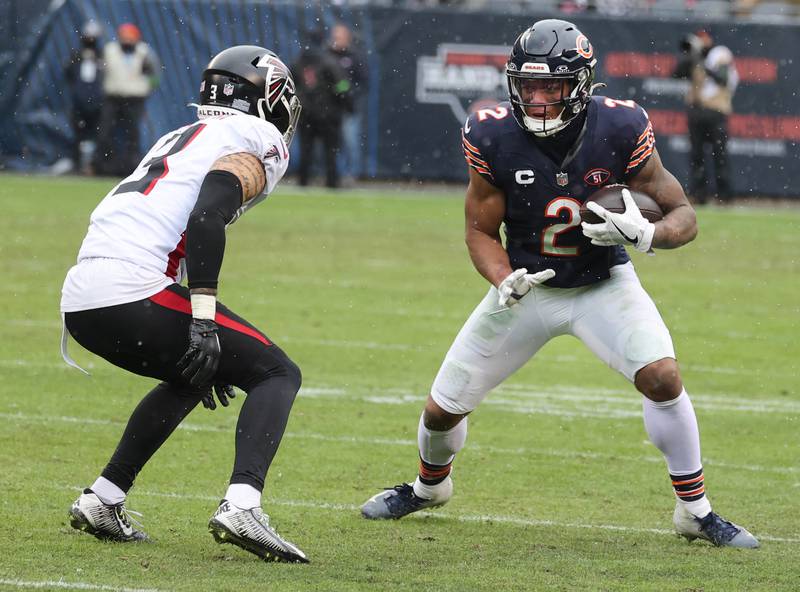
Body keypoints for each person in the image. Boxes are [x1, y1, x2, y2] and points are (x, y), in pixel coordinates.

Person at [361, 19, 758, 549]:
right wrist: (504, 279)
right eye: (529, 86)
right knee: (441, 411)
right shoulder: (490, 133)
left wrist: (647, 234)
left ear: (583, 85)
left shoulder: (620, 127)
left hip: (602, 284)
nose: (539, 98)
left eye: (553, 87)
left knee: (662, 377)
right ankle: (429, 488)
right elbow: (479, 231)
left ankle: (695, 510)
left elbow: (683, 213)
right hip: (529, 287)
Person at [61, 45, 307, 563]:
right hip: (132, 289)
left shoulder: (183, 134)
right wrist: (202, 320)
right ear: (269, 98)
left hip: (83, 296)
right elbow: (205, 218)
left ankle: (103, 498)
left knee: (195, 372)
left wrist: (201, 330)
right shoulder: (256, 137)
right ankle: (243, 504)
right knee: (277, 373)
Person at [672, 30, 738, 204]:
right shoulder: (696, 58)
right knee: (696, 155)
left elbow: (722, 79)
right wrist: (690, 56)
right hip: (697, 112)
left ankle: (724, 196)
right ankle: (699, 195)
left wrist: (703, 63)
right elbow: (676, 73)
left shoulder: (721, 54)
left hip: (716, 112)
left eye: (704, 38)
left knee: (720, 154)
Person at [95, 23, 161, 177]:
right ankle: (105, 167)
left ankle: (131, 168)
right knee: (105, 133)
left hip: (135, 98)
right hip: (113, 97)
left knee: (133, 135)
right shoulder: (110, 51)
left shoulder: (144, 53)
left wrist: (145, 89)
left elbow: (155, 76)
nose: (127, 41)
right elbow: (100, 72)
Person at [292, 29, 352, 188]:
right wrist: (347, 104)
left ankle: (303, 181)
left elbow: (290, 84)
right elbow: (342, 85)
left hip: (305, 112)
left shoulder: (299, 61)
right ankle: (331, 182)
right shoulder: (329, 60)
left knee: (306, 149)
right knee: (330, 150)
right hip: (328, 112)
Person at [327, 23, 368, 183]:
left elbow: (363, 81)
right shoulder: (328, 55)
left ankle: (352, 174)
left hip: (348, 108)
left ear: (347, 38)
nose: (337, 40)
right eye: (335, 36)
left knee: (350, 141)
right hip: (329, 108)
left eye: (340, 37)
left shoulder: (354, 56)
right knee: (332, 142)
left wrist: (347, 92)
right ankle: (334, 174)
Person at [63, 21, 104, 174]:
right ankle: (77, 164)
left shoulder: (101, 55)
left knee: (97, 135)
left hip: (96, 102)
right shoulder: (77, 54)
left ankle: (93, 166)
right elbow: (68, 74)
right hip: (79, 102)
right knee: (79, 134)